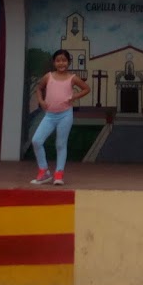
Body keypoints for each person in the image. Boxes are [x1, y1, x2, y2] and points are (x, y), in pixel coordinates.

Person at [30, 49, 90, 185]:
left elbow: (86, 88)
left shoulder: (72, 78)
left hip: (65, 115)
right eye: (58, 60)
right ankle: (44, 171)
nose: (61, 63)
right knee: (36, 141)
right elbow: (39, 88)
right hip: (49, 116)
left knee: (60, 144)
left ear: (68, 62)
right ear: (54, 62)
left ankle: (59, 174)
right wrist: (41, 101)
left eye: (64, 60)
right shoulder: (48, 76)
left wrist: (74, 96)